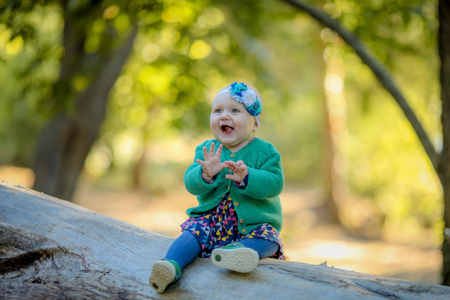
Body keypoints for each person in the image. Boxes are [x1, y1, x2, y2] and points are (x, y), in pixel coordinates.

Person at [149, 82, 285, 293]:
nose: (224, 115)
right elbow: (190, 183)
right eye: (218, 110)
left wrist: (248, 176)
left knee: (269, 238)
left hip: (253, 224)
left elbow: (275, 183)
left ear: (255, 123)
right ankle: (170, 265)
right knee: (193, 233)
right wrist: (205, 174)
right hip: (212, 221)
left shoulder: (266, 152)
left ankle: (237, 253)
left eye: (235, 110)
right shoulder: (206, 149)